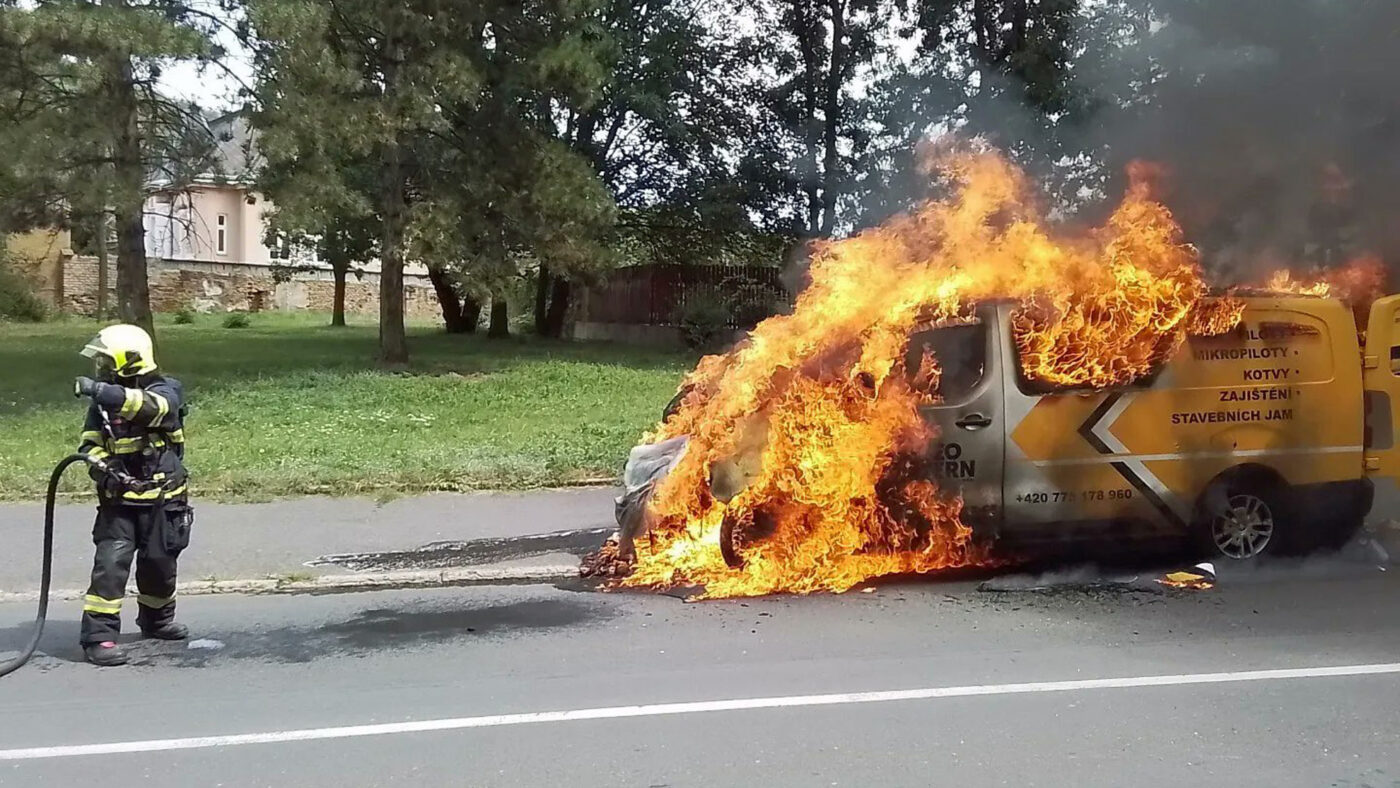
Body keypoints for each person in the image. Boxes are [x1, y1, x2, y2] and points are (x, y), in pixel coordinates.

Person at [72, 324, 193, 666]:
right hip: (119, 502)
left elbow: (151, 409)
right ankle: (98, 637)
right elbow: (89, 443)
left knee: (159, 564)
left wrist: (100, 390)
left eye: (109, 362)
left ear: (131, 361)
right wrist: (101, 466)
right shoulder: (102, 403)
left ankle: (157, 620)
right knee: (110, 567)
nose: (104, 369)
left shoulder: (167, 390)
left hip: (164, 500)